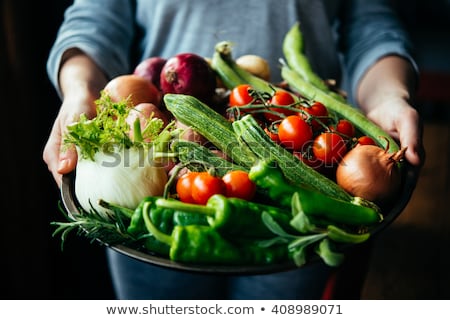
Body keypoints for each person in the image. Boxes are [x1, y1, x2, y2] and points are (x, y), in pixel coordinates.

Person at [43, 0, 425, 299]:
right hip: (151, 171)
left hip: (306, 175)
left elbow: (370, 24)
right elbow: (95, 19)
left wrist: (390, 96)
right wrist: (80, 92)